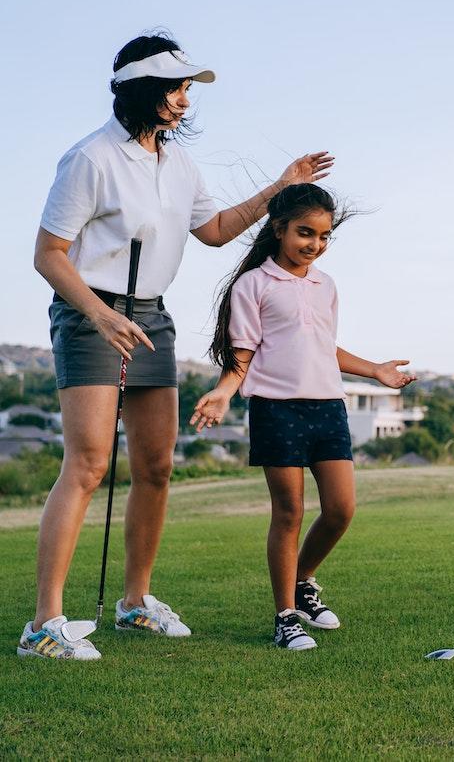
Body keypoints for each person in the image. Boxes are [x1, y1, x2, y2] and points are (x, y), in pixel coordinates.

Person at [21, 34, 333, 660]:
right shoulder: (90, 159)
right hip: (92, 315)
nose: (186, 100)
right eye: (176, 88)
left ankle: (135, 603)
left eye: (188, 88)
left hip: (153, 320)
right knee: (87, 465)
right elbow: (48, 255)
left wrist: (280, 187)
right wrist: (100, 315)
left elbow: (215, 233)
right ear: (143, 90)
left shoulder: (177, 164)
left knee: (157, 468)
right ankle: (43, 626)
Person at [189, 183, 415, 650]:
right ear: (279, 230)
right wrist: (224, 391)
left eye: (323, 236)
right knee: (289, 513)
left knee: (340, 510)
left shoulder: (325, 286)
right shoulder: (252, 285)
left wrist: (374, 371)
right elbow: (243, 353)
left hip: (328, 408)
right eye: (304, 233)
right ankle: (285, 617)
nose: (314, 244)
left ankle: (303, 581)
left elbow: (321, 346)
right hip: (277, 410)